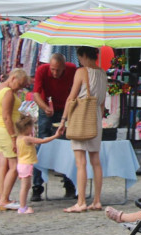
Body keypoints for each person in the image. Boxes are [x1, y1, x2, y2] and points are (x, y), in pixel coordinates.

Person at [63, 46, 107, 213]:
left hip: (81, 118)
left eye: (79, 57)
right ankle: (96, 200)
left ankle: (81, 201)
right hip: (95, 118)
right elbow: (102, 102)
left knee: (81, 162)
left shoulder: (81, 72)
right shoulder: (103, 73)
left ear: (83, 56)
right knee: (96, 161)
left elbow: (71, 97)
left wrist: (63, 119)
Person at [31, 53, 77, 201]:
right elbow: (36, 94)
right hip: (47, 109)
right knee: (41, 144)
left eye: (58, 70)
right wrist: (44, 108)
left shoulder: (72, 69)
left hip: (65, 109)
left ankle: (69, 184)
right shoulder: (42, 70)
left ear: (64, 67)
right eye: (53, 69)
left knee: (67, 146)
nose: (55, 73)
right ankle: (37, 187)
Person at [0, 68, 29, 210]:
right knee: (14, 166)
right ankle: (4, 198)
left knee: (2, 164)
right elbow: (6, 117)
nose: (19, 88)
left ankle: (2, 197)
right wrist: (13, 137)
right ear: (12, 78)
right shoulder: (7, 93)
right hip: (6, 131)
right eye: (19, 84)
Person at [13, 115, 63, 214]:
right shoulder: (27, 139)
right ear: (27, 128)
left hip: (21, 164)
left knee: (26, 186)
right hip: (26, 164)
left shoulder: (18, 138)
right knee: (25, 186)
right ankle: (22, 207)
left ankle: (23, 205)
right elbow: (42, 141)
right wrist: (55, 136)